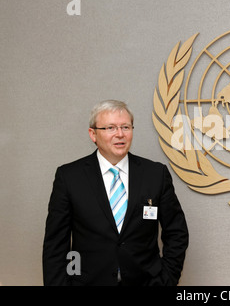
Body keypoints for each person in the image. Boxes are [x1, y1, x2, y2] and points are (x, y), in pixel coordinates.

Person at [43, 100, 189, 286]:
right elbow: (55, 244)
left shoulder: (155, 174)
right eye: (110, 128)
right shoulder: (69, 177)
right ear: (93, 134)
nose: (120, 134)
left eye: (125, 127)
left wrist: (166, 280)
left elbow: (177, 232)